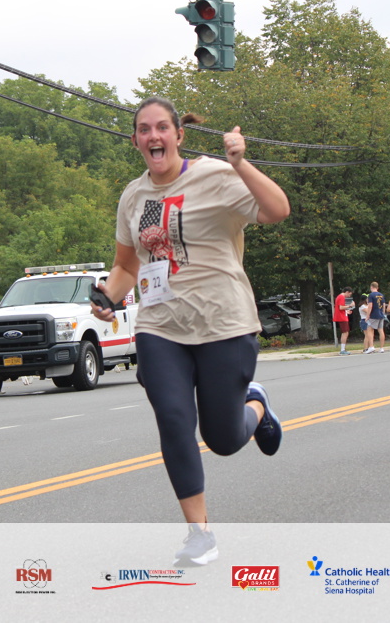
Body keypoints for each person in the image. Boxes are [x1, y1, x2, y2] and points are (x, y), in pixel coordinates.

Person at [91, 96, 289, 567]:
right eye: (144, 129)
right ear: (136, 140)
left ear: (178, 135)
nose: (153, 136)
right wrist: (108, 297)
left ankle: (256, 407)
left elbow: (278, 210)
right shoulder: (133, 196)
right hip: (160, 327)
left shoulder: (216, 175)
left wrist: (241, 163)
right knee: (174, 419)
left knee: (222, 439)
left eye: (162, 127)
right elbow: (126, 266)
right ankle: (199, 534)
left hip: (223, 323)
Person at [364, 282, 386, 353]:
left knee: (369, 329)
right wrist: (383, 313)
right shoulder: (381, 295)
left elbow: (370, 306)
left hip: (374, 314)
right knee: (381, 330)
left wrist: (367, 316)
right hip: (381, 314)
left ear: (371, 287)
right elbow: (384, 305)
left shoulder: (371, 295)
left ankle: (371, 346)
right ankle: (381, 348)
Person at [333, 287, 354, 355]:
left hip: (342, 316)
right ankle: (342, 349)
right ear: (347, 292)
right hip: (342, 317)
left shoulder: (340, 297)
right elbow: (341, 307)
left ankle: (343, 349)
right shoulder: (341, 297)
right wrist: (350, 306)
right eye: (349, 294)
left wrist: (346, 311)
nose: (349, 296)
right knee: (345, 332)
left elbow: (341, 308)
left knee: (345, 332)